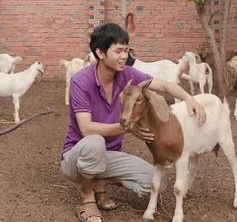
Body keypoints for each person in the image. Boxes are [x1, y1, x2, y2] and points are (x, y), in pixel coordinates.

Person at [60, 23, 206, 222]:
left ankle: (100, 181)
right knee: (95, 142)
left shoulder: (127, 75)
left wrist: (190, 98)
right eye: (118, 51)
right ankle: (87, 198)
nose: (124, 56)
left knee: (156, 183)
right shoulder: (81, 81)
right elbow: (86, 129)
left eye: (127, 50)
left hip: (108, 156)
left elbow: (164, 84)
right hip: (77, 158)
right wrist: (127, 128)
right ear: (100, 53)